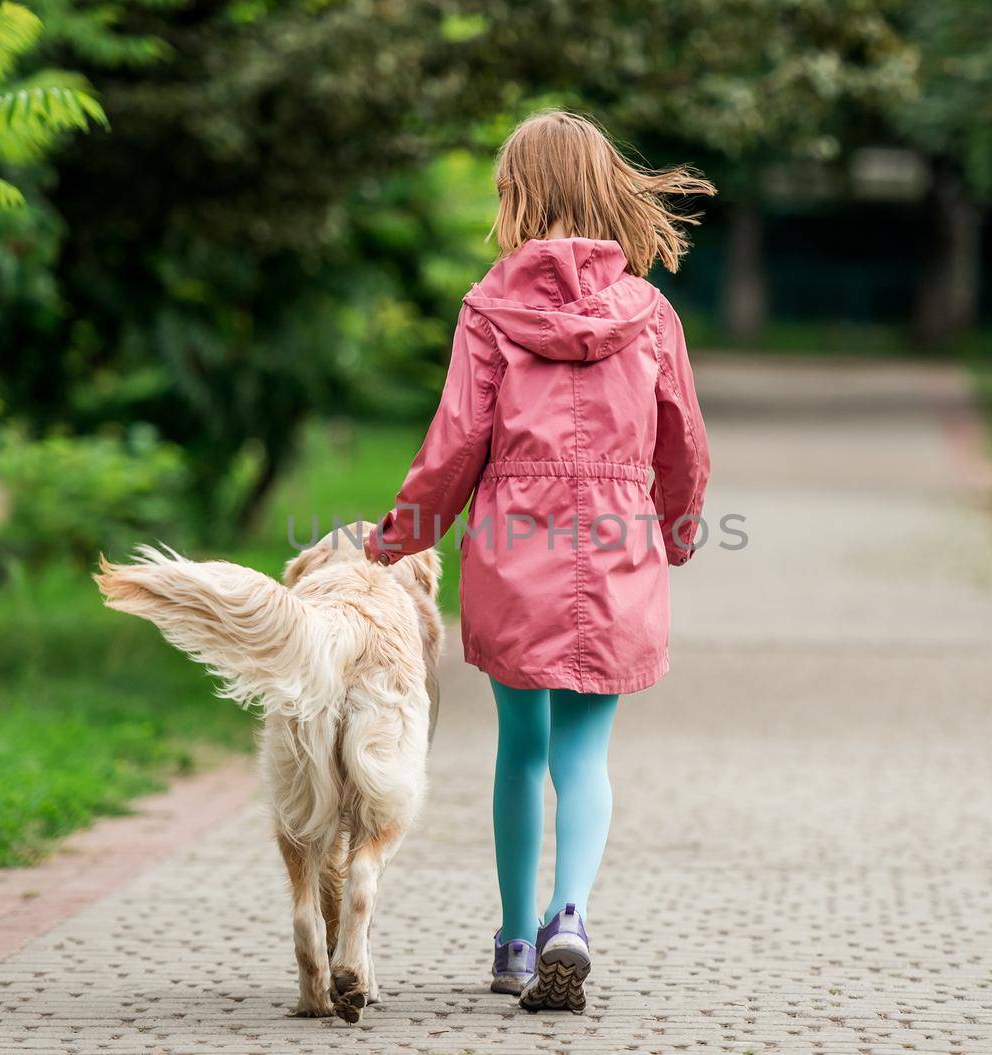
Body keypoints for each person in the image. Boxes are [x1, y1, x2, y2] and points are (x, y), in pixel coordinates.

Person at [364, 109, 713, 1013]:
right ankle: (573, 914)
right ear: (607, 190)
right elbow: (683, 443)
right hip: (619, 542)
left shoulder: (489, 310)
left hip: (515, 545)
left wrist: (396, 538)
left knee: (520, 750)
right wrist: (675, 527)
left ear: (517, 194)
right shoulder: (650, 313)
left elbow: (452, 448)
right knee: (585, 754)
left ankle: (516, 942)